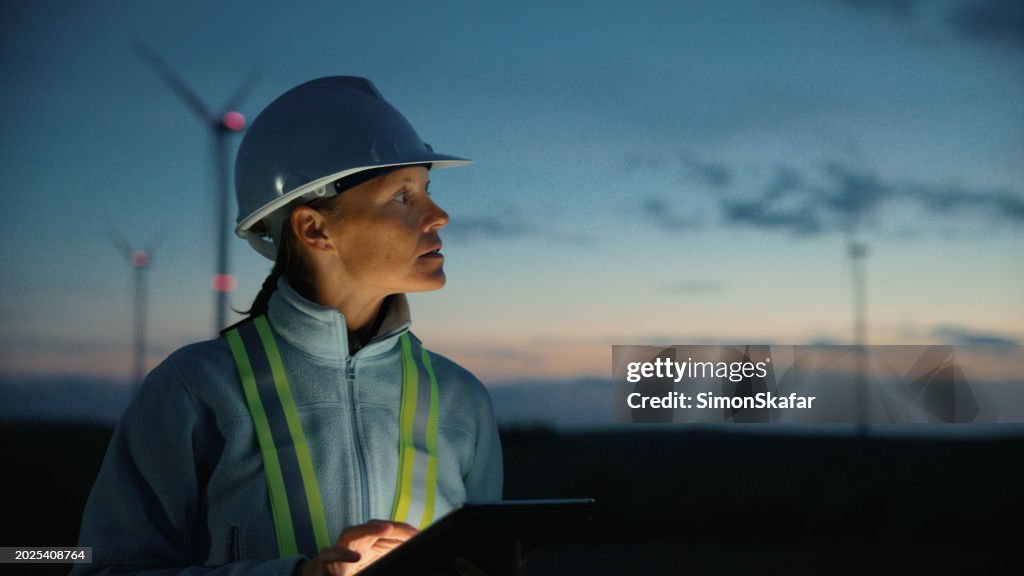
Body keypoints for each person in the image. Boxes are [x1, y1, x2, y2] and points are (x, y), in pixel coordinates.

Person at [72, 76, 505, 575]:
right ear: (314, 228)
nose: (440, 215)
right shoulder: (195, 390)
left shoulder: (461, 399)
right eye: (403, 197)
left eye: (427, 190)